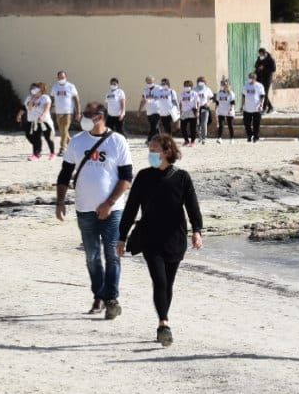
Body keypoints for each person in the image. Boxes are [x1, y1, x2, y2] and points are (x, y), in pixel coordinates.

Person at [119, 134, 204, 347]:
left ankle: (163, 318)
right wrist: (121, 237)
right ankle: (163, 323)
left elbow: (192, 205)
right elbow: (131, 209)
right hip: (150, 237)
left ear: (167, 152)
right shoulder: (143, 176)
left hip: (175, 238)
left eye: (154, 150)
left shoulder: (182, 177)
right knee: (159, 280)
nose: (151, 155)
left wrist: (197, 231)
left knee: (168, 283)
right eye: (150, 150)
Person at [56, 102, 133, 320]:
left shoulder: (118, 142)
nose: (84, 117)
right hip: (84, 209)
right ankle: (98, 295)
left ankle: (111, 299)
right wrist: (60, 202)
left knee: (112, 254)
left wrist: (108, 203)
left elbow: (126, 177)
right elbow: (64, 174)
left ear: (101, 117)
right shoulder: (77, 142)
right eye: (84, 114)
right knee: (91, 256)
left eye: (89, 114)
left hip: (113, 210)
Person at [18, 82, 54, 161]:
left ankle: (52, 153)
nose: (33, 90)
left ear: (40, 90)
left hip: (45, 121)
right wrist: (31, 100)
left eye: (35, 89)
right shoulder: (31, 97)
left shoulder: (45, 97)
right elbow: (29, 108)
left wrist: (43, 115)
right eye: (32, 89)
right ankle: (36, 154)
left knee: (48, 138)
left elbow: (47, 108)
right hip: (35, 121)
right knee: (35, 137)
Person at [50, 71, 80, 154]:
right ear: (57, 78)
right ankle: (72, 144)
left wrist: (78, 112)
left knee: (65, 129)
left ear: (66, 77)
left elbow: (76, 99)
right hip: (58, 112)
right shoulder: (55, 87)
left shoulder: (71, 86)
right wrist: (48, 109)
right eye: (59, 77)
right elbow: (51, 99)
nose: (61, 79)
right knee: (63, 131)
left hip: (68, 112)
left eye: (62, 77)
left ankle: (62, 148)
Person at [242, 73, 266, 142]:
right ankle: (249, 135)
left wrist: (261, 104)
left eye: (251, 78)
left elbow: (262, 96)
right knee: (246, 123)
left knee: (256, 124)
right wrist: (242, 105)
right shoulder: (246, 86)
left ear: (254, 79)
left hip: (256, 108)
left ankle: (256, 137)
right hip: (247, 108)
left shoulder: (259, 86)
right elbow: (243, 96)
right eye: (249, 78)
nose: (249, 79)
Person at [255, 47, 278, 113]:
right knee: (261, 93)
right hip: (260, 77)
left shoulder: (270, 59)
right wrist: (258, 67)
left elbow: (273, 69)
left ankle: (264, 108)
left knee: (265, 93)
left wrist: (264, 68)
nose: (260, 55)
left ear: (265, 53)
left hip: (267, 78)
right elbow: (256, 65)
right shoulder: (259, 58)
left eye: (261, 54)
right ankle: (270, 107)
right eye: (259, 54)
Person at [179, 79, 200, 146]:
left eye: (188, 85)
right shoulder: (182, 94)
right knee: (183, 127)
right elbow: (180, 103)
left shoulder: (194, 94)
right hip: (184, 112)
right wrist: (180, 111)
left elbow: (198, 102)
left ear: (191, 86)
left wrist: (198, 111)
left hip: (192, 112)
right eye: (185, 85)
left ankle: (193, 142)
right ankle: (186, 140)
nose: (186, 87)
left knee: (193, 128)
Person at [193, 76, 214, 144]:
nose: (201, 83)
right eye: (199, 81)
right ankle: (199, 136)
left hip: (204, 108)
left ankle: (204, 138)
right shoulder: (194, 89)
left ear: (205, 82)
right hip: (196, 108)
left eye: (202, 81)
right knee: (197, 124)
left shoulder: (207, 89)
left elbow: (212, 98)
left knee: (204, 123)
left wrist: (208, 103)